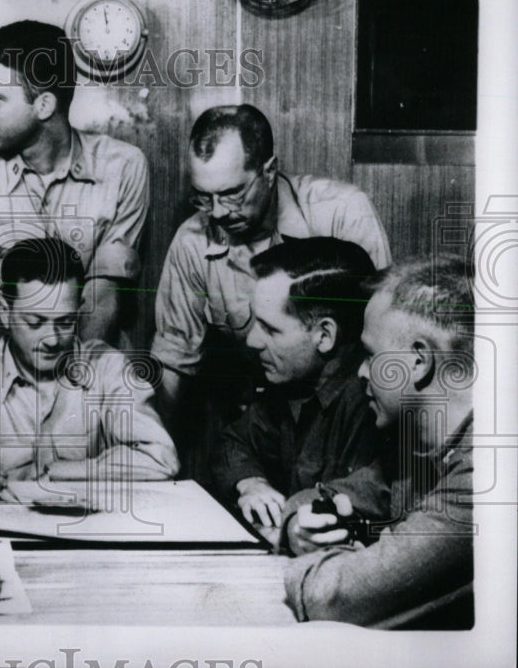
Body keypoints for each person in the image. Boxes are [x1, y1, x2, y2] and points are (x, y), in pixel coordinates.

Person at [151, 104, 392, 478]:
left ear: (268, 170)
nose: (216, 213)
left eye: (231, 194)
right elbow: (172, 362)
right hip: (266, 422)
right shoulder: (193, 242)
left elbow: (384, 339)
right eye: (203, 196)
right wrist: (153, 455)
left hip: (348, 422)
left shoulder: (342, 212)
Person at [0, 237, 178, 501]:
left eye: (65, 322)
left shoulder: (107, 368)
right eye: (35, 322)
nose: (52, 339)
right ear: (4, 312)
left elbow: (160, 456)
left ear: (80, 308)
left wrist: (66, 471)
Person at [283, 257, 474, 629]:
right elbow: (334, 495)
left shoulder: (486, 475)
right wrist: (297, 527)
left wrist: (345, 559)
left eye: (370, 356)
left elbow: (330, 596)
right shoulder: (421, 454)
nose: (360, 371)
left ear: (419, 361)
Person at [0, 20, 150, 344]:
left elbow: (102, 296)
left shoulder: (123, 167)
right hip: (8, 368)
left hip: (91, 365)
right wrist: (9, 388)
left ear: (44, 105)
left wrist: (73, 386)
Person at [210, 238, 385, 540]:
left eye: (270, 329)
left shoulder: (374, 401)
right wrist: (251, 483)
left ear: (325, 335)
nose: (252, 341)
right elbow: (233, 442)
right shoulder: (290, 385)